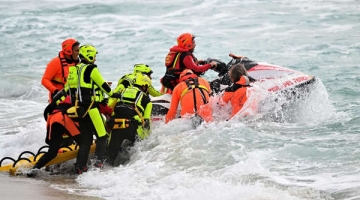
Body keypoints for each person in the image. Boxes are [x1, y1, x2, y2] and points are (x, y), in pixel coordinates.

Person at [55, 44, 121, 174]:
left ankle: (80, 167)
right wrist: (115, 95)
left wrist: (55, 101)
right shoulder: (91, 69)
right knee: (103, 136)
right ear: (89, 55)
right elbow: (104, 87)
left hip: (78, 110)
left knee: (86, 141)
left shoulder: (74, 69)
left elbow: (67, 89)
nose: (95, 58)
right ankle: (98, 165)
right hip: (91, 109)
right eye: (94, 55)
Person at [27, 96, 81, 177]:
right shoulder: (82, 95)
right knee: (84, 143)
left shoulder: (65, 94)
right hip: (63, 118)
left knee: (52, 151)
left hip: (53, 118)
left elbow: (47, 111)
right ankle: (81, 168)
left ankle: (34, 169)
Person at [106, 73, 153, 166]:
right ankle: (132, 168)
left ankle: (102, 170)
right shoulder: (146, 98)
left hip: (116, 125)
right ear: (144, 86)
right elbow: (146, 122)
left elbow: (111, 107)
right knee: (140, 148)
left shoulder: (122, 91)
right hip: (132, 127)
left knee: (109, 157)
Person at [41, 38, 80, 102]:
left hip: (72, 98)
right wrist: (56, 91)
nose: (79, 53)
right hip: (58, 99)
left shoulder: (78, 64)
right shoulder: (55, 62)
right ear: (69, 51)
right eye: (77, 50)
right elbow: (44, 80)